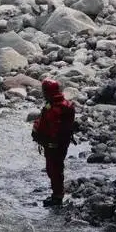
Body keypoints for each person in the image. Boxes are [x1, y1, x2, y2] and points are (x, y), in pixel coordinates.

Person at [31, 78, 76, 207]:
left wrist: (47, 140)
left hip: (54, 145)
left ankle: (57, 196)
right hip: (59, 143)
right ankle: (58, 193)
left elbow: (53, 129)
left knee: (54, 169)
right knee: (55, 168)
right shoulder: (62, 104)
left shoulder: (55, 108)